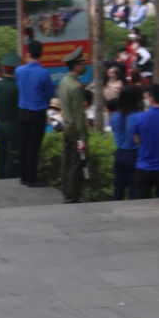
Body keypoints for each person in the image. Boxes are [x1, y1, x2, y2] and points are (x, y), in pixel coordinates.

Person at [15, 42, 56, 186]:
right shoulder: (43, 73)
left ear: (28, 53)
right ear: (41, 54)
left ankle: (23, 176)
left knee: (23, 144)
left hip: (22, 111)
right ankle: (31, 178)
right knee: (34, 145)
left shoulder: (19, 71)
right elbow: (49, 94)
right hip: (37, 112)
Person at [57, 49, 89, 203]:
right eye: (82, 63)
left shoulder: (64, 82)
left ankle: (66, 191)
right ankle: (72, 196)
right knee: (76, 165)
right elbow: (79, 115)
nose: (84, 66)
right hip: (75, 128)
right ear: (76, 66)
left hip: (67, 126)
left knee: (67, 162)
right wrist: (82, 138)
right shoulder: (76, 87)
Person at [110, 85, 144, 200]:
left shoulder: (115, 117)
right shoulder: (139, 117)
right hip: (134, 154)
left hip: (120, 154)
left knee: (118, 189)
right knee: (133, 190)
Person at [0, 54, 21, 178]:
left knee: (1, 154)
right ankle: (9, 179)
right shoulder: (17, 87)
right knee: (11, 155)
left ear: (3, 69)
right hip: (12, 125)